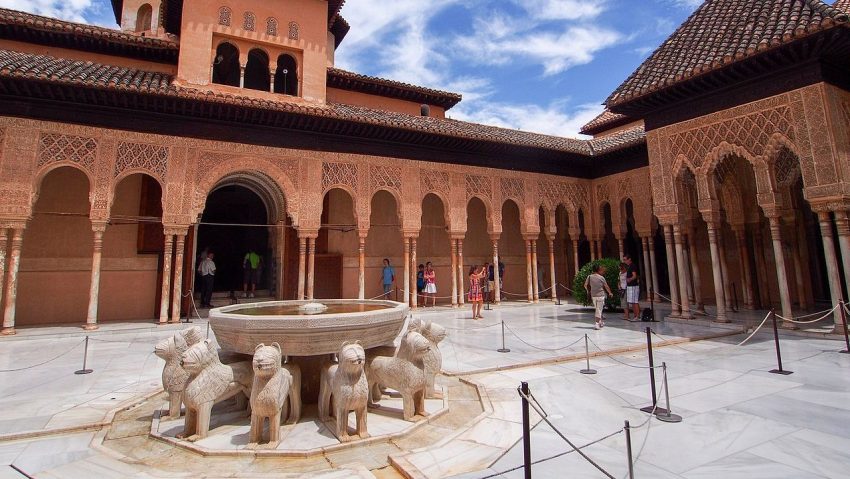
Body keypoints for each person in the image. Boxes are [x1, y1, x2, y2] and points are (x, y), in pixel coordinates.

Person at [584, 263, 612, 330]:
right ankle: (597, 323)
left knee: (598, 309)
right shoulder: (601, 277)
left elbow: (585, 285)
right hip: (600, 295)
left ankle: (600, 322)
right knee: (599, 309)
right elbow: (606, 286)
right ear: (598, 270)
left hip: (593, 295)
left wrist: (588, 291)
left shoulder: (589, 276)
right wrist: (610, 292)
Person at [623, 254, 641, 320]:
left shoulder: (632, 266)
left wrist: (629, 279)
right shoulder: (629, 266)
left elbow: (634, 276)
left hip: (633, 286)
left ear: (629, 259)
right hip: (630, 286)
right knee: (632, 301)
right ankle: (635, 315)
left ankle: (637, 316)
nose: (624, 261)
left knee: (634, 301)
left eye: (625, 260)